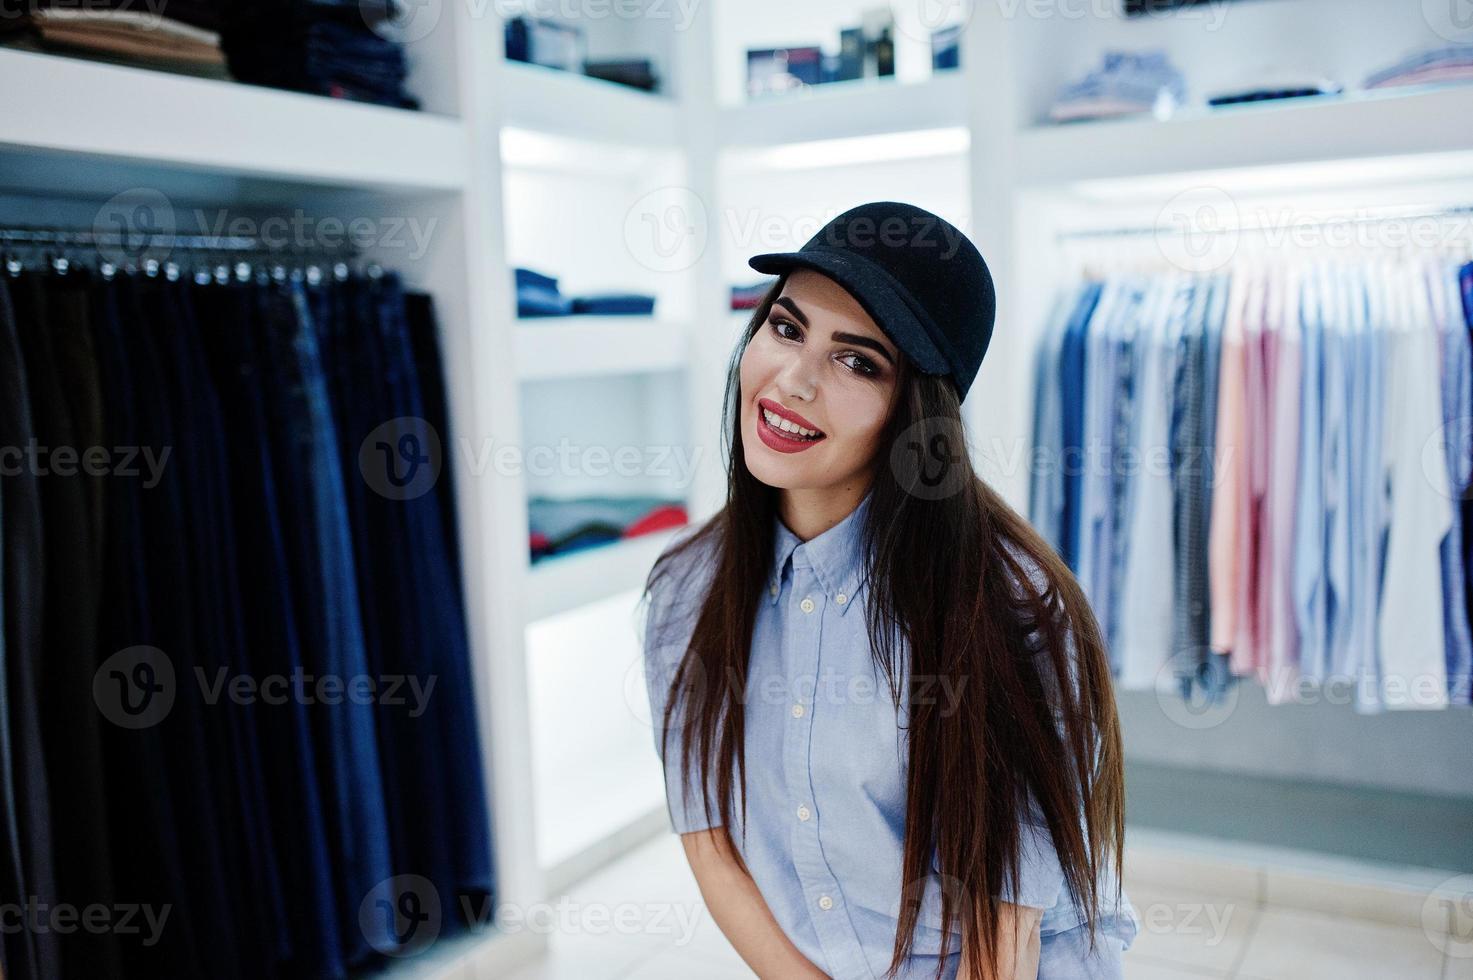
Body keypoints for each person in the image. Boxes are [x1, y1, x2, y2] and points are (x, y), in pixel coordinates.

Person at [640, 201, 1138, 979]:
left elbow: (1005, 929)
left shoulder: (1013, 611)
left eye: (857, 361)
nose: (793, 381)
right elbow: (709, 840)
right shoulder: (685, 589)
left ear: (917, 418)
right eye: (785, 326)